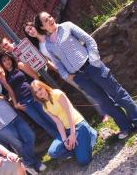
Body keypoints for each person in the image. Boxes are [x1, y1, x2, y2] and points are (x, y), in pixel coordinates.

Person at [34, 11, 137, 139]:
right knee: (105, 103)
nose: (50, 19)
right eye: (45, 20)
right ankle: (126, 126)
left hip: (93, 67)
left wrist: (94, 61)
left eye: (50, 16)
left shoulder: (67, 26)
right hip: (80, 77)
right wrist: (67, 76)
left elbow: (89, 40)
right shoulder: (48, 45)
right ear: (42, 27)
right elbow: (58, 63)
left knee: (118, 93)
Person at [23, 21, 110, 123]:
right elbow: (49, 61)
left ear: (35, 26)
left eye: (30, 28)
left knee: (99, 82)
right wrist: (63, 73)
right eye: (28, 32)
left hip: (77, 62)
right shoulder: (39, 47)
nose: (30, 32)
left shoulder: (50, 34)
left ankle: (113, 105)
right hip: (67, 71)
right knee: (87, 91)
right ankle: (104, 113)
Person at [0, 79, 46, 174]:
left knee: (30, 136)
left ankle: (27, 163)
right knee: (19, 146)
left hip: (16, 119)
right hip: (3, 128)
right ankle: (36, 164)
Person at [30, 80, 97, 165]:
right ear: (35, 95)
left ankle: (90, 135)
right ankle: (78, 148)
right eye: (36, 92)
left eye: (40, 89)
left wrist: (72, 134)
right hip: (67, 130)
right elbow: (59, 123)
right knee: (52, 152)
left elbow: (70, 113)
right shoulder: (45, 107)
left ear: (44, 87)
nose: (39, 92)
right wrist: (65, 141)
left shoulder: (57, 93)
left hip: (78, 125)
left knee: (83, 161)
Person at [0, 53, 59, 138]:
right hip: (24, 103)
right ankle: (59, 138)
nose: (7, 62)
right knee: (42, 122)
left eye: (8, 59)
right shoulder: (5, 77)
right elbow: (11, 92)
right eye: (4, 61)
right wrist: (16, 104)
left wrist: (38, 91)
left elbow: (35, 75)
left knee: (50, 116)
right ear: (2, 64)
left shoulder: (19, 65)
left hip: (34, 96)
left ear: (11, 59)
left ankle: (66, 132)